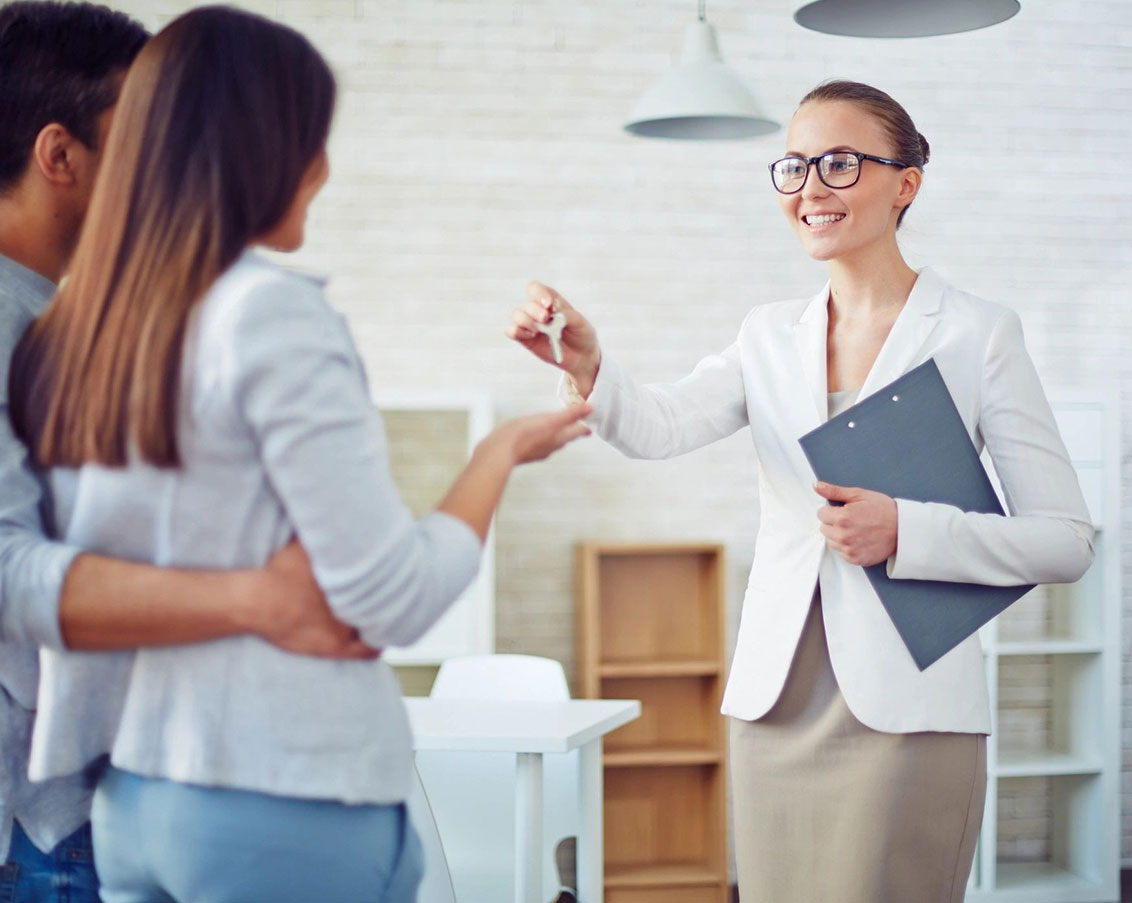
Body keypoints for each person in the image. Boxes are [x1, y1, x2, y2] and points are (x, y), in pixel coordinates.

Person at [10, 6, 591, 902]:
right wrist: (499, 454)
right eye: (314, 139)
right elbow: (388, 598)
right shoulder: (268, 314)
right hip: (279, 795)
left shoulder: (76, 332)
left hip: (131, 798)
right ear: (264, 148)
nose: (323, 169)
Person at [507, 80, 1094, 903]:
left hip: (911, 710)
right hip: (776, 702)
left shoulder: (977, 333)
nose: (811, 186)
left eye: (841, 163)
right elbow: (659, 426)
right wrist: (590, 366)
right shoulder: (767, 335)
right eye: (793, 166)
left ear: (906, 183)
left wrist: (909, 530)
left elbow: (1067, 539)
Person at [0, 4, 374, 901]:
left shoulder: (58, 322)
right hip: (53, 824)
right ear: (61, 157)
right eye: (139, 139)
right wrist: (257, 600)